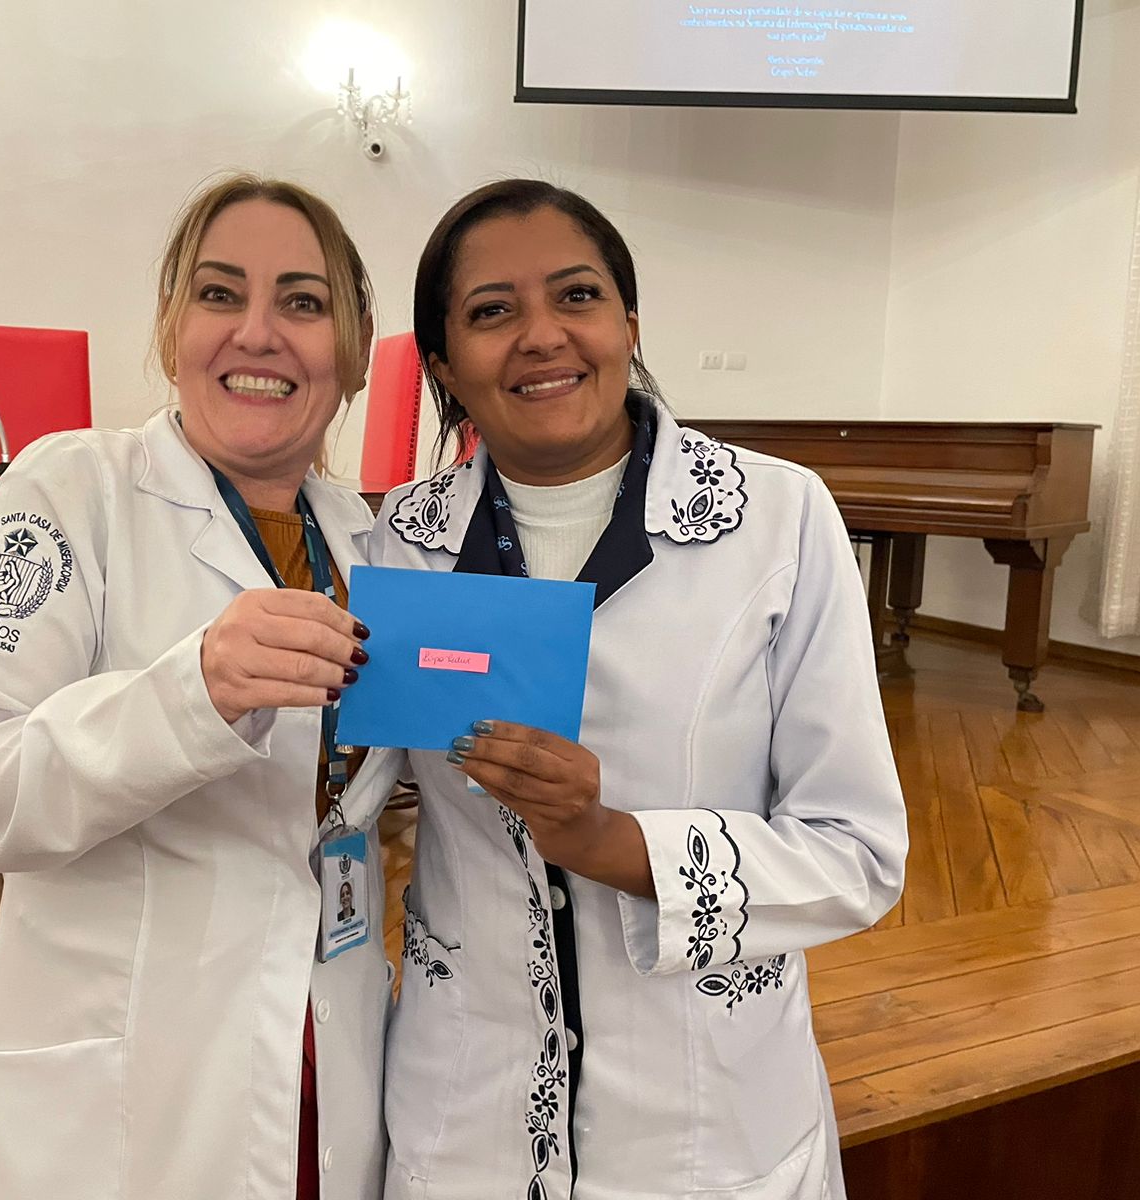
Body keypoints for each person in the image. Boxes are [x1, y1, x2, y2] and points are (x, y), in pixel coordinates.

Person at [370, 180, 908, 1199]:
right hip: (466, 1115)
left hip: (705, 1125)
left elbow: (859, 852)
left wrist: (611, 841)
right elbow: (356, 788)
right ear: (442, 363)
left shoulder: (777, 521)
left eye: (576, 295)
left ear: (628, 323)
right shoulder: (400, 541)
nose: (541, 335)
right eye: (491, 311)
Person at [0, 173, 399, 1199]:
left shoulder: (369, 541)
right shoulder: (68, 493)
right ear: (171, 330)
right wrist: (191, 695)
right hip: (125, 1091)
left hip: (324, 1052)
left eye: (302, 302)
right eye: (219, 293)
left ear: (352, 351)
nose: (257, 332)